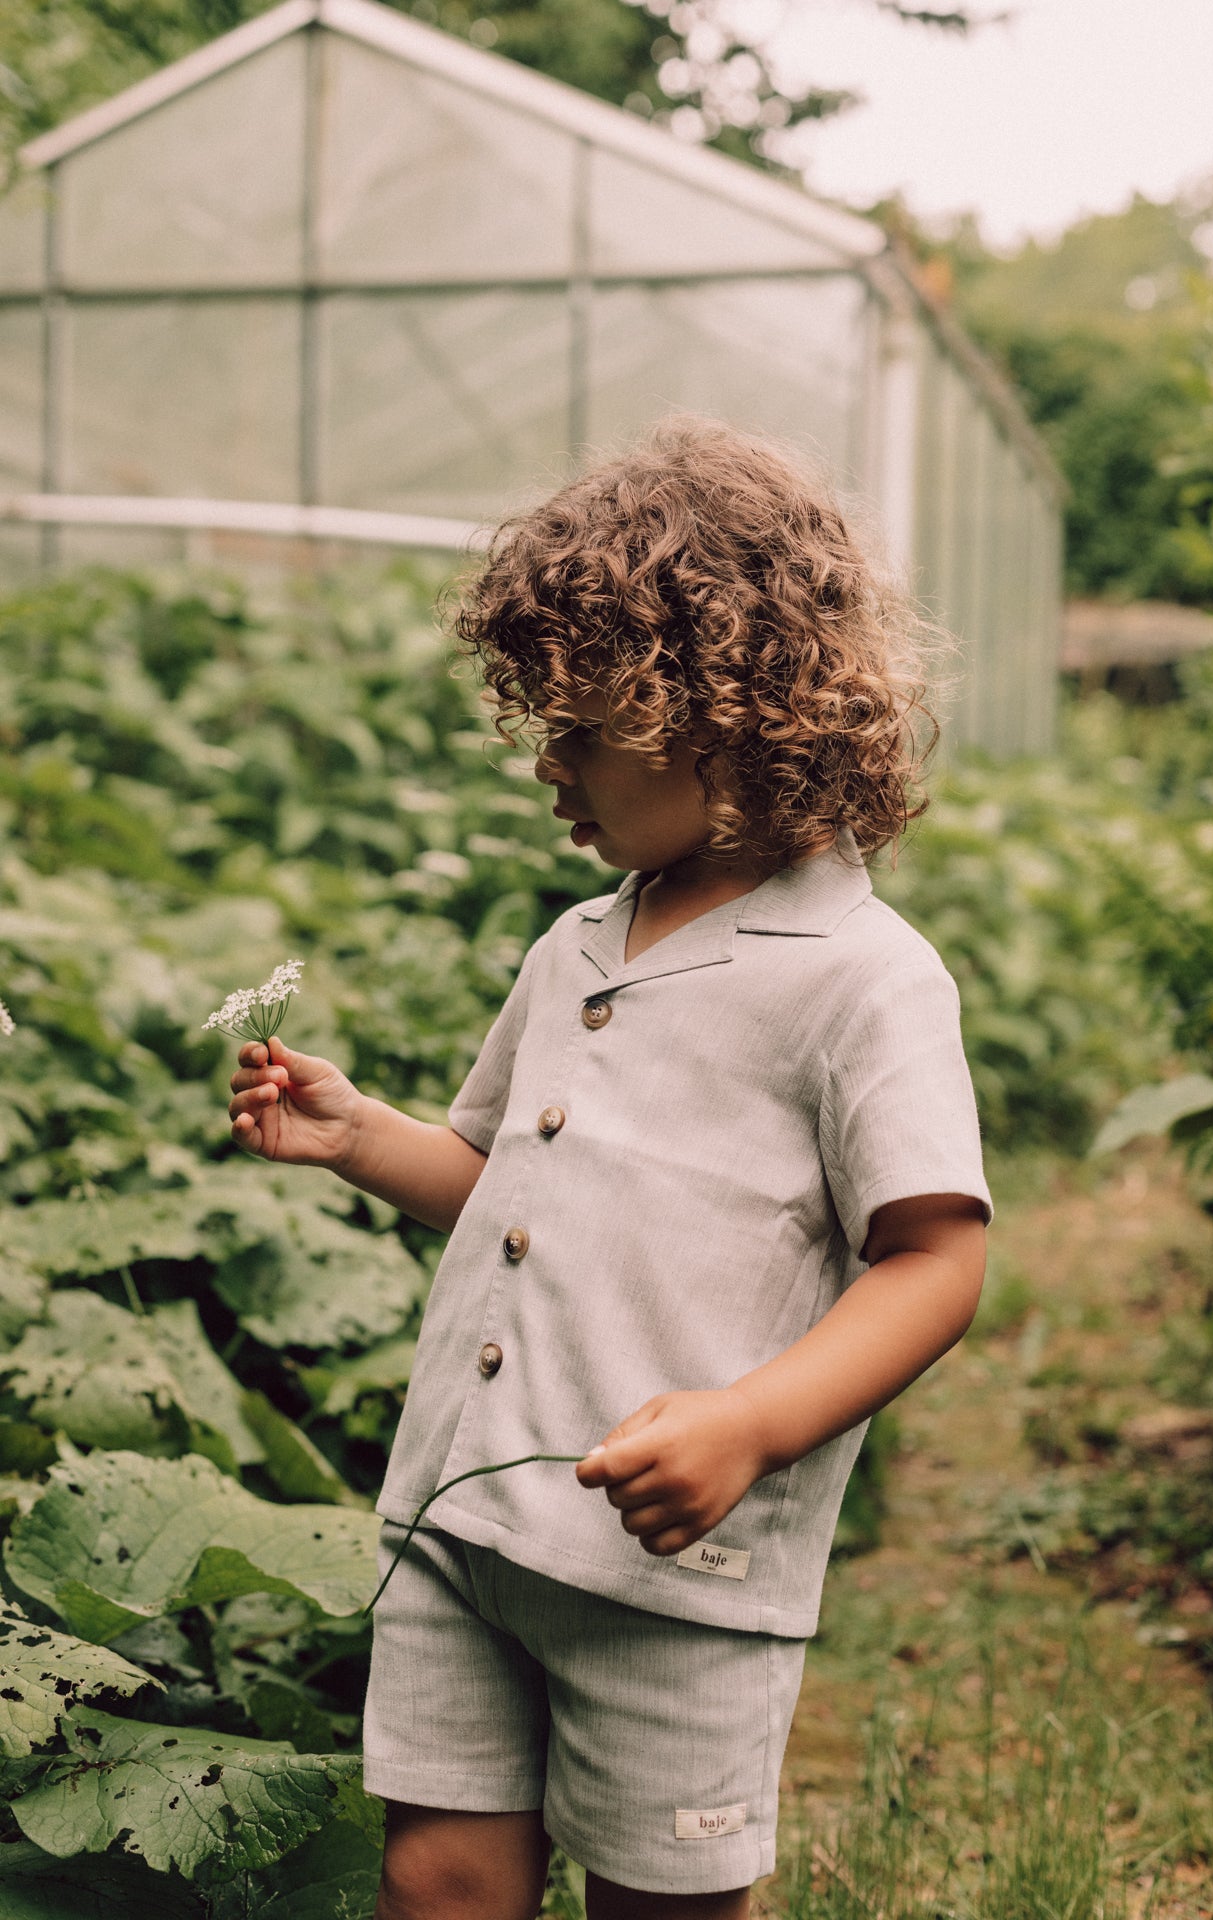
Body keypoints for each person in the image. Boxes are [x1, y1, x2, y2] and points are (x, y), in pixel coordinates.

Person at [226, 419, 991, 1920]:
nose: (548, 769)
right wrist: (360, 1133)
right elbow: (502, 1176)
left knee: (663, 1902)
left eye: (580, 732)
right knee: (437, 1878)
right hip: (466, 1516)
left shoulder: (861, 979)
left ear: (723, 710)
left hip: (671, 1571)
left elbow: (937, 1260)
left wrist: (747, 1427)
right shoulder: (577, 943)